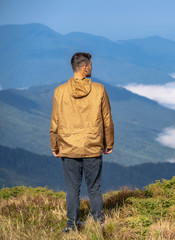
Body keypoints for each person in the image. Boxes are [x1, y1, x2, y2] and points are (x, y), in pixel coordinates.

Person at [50, 52, 114, 233]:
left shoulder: (60, 91)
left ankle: (71, 226)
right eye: (91, 65)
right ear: (84, 67)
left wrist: (55, 145)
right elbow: (107, 119)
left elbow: (55, 121)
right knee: (94, 189)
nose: (92, 67)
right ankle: (98, 223)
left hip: (69, 147)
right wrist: (109, 142)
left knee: (72, 190)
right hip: (93, 146)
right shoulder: (99, 89)